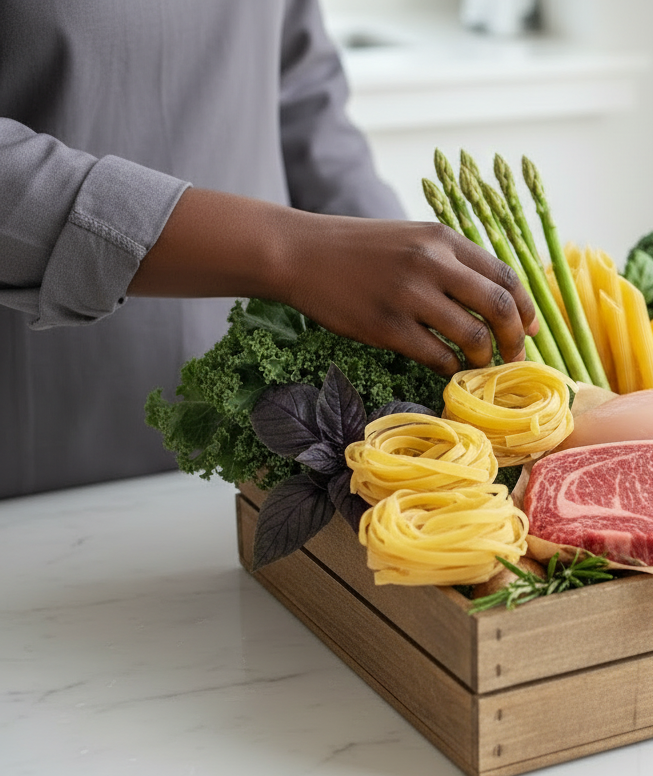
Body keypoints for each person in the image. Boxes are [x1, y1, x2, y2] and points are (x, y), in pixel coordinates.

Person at [0, 1, 535, 499]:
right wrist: (294, 251)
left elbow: (302, 95)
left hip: (276, 419)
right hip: (41, 441)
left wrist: (416, 281)